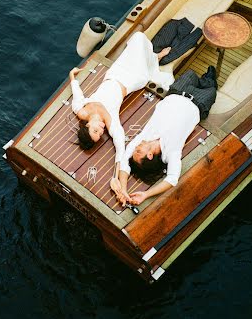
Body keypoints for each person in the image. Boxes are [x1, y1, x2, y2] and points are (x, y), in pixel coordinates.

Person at [69, 31, 173, 184]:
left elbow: (77, 93)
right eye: (101, 133)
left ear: (87, 125)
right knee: (140, 47)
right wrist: (115, 178)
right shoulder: (111, 121)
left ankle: (153, 58)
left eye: (96, 130)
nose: (102, 128)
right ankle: (155, 58)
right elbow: (120, 151)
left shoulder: (81, 110)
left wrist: (72, 76)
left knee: (138, 36)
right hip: (132, 80)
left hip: (114, 73)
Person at [112, 66, 218, 206]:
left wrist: (124, 190)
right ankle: (209, 78)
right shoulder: (171, 152)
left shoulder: (144, 138)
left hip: (177, 91)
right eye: (138, 151)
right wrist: (146, 194)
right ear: (149, 155)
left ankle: (205, 78)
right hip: (199, 102)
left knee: (191, 72)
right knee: (211, 87)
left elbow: (124, 161)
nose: (136, 146)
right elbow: (173, 179)